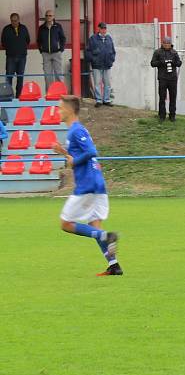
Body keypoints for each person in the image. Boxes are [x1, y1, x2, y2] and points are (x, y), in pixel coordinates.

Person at [52, 95, 122, 276]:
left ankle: (105, 236)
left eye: (60, 108)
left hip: (87, 184)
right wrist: (63, 152)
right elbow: (79, 155)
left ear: (69, 110)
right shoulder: (77, 131)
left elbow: (91, 151)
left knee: (66, 223)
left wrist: (74, 160)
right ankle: (114, 265)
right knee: (94, 225)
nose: (58, 112)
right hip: (96, 182)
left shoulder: (75, 130)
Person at [150, 36, 182, 122]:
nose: (167, 45)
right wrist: (161, 62)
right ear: (162, 43)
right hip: (163, 78)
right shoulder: (157, 52)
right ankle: (162, 115)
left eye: (168, 43)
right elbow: (152, 63)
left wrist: (174, 62)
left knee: (173, 97)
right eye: (165, 43)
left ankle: (172, 116)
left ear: (171, 44)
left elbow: (179, 63)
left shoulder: (174, 52)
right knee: (162, 97)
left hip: (172, 79)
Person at [86, 23, 116, 108]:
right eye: (102, 28)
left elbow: (113, 51)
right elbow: (88, 51)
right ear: (98, 28)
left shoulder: (109, 38)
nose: (103, 30)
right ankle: (99, 100)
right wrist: (93, 60)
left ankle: (106, 100)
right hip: (97, 65)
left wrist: (111, 60)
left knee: (107, 83)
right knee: (97, 83)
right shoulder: (93, 39)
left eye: (105, 28)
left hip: (107, 65)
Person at [1, 13, 30, 99]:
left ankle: (18, 97)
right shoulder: (6, 29)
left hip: (22, 57)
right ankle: (8, 96)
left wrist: (21, 48)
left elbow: (27, 40)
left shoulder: (24, 28)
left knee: (20, 78)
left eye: (16, 20)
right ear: (10, 20)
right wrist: (11, 50)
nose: (14, 22)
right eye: (12, 21)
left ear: (19, 20)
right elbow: (3, 42)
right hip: (11, 57)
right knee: (9, 77)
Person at [37, 10, 66, 88]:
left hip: (56, 53)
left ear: (53, 17)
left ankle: (60, 93)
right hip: (46, 54)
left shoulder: (58, 26)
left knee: (59, 74)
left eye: (50, 15)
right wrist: (41, 50)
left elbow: (63, 38)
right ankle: (49, 94)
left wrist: (61, 49)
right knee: (47, 76)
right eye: (47, 15)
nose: (48, 17)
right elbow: (39, 40)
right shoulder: (41, 28)